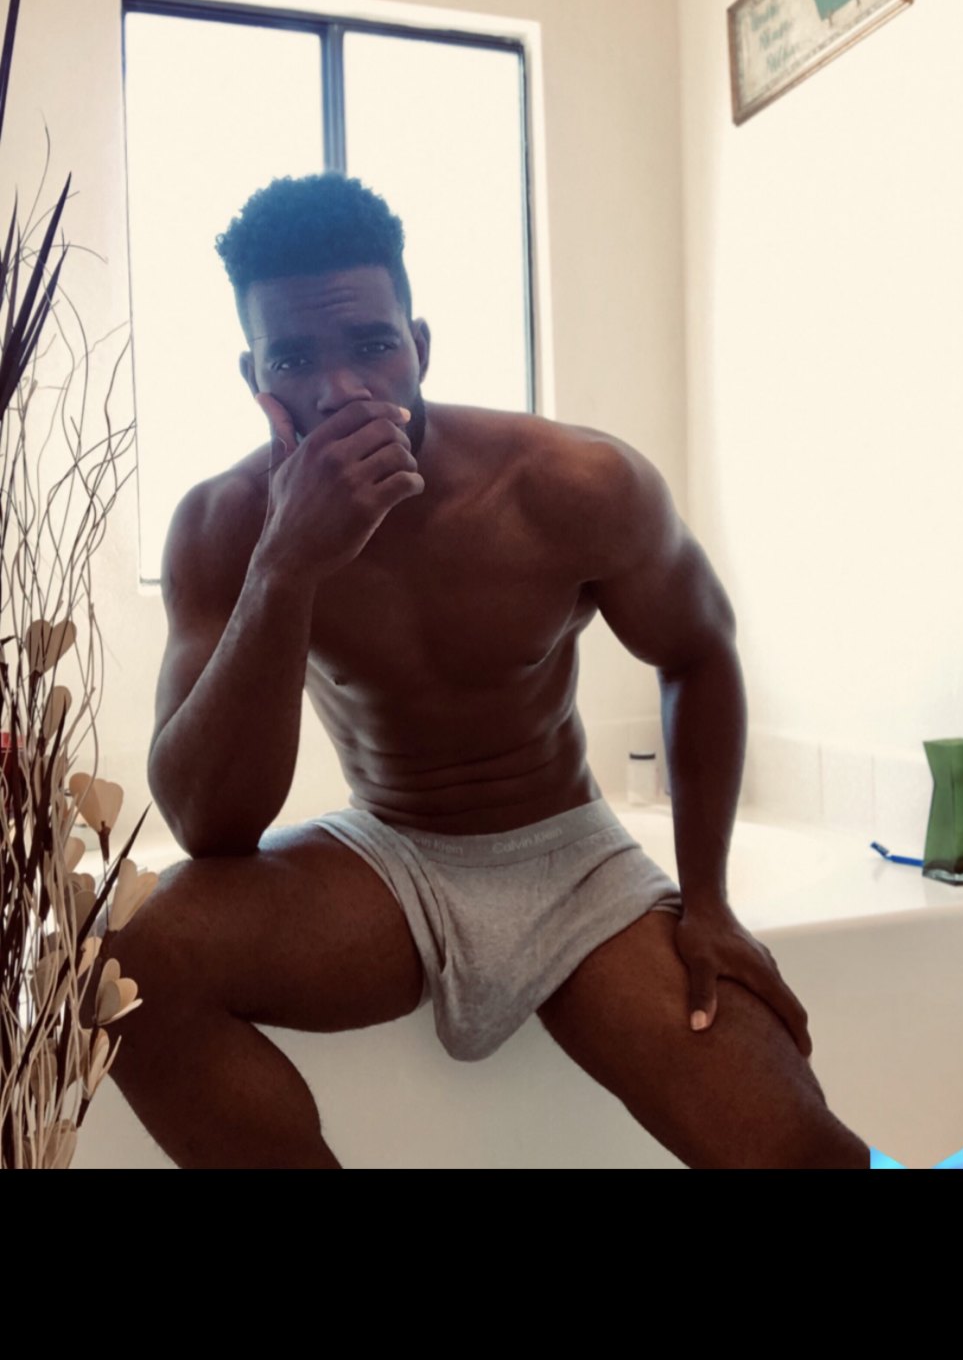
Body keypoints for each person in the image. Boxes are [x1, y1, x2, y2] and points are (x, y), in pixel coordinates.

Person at [99, 171, 869, 1170]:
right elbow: (210, 828)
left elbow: (697, 651)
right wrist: (285, 566)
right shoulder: (225, 524)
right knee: (128, 960)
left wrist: (710, 900)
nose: (340, 389)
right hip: (385, 859)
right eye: (293, 358)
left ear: (419, 345)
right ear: (255, 376)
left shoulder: (569, 484)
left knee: (805, 1155)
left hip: (573, 866)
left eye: (372, 344)